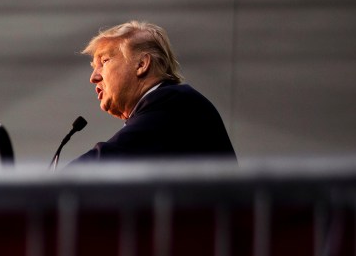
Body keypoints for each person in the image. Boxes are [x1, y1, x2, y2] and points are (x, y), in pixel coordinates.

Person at [69, 21, 236, 164]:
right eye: (94, 68)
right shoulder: (161, 107)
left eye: (104, 61)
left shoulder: (174, 104)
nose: (94, 77)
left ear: (142, 64)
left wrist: (52, 185)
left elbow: (108, 160)